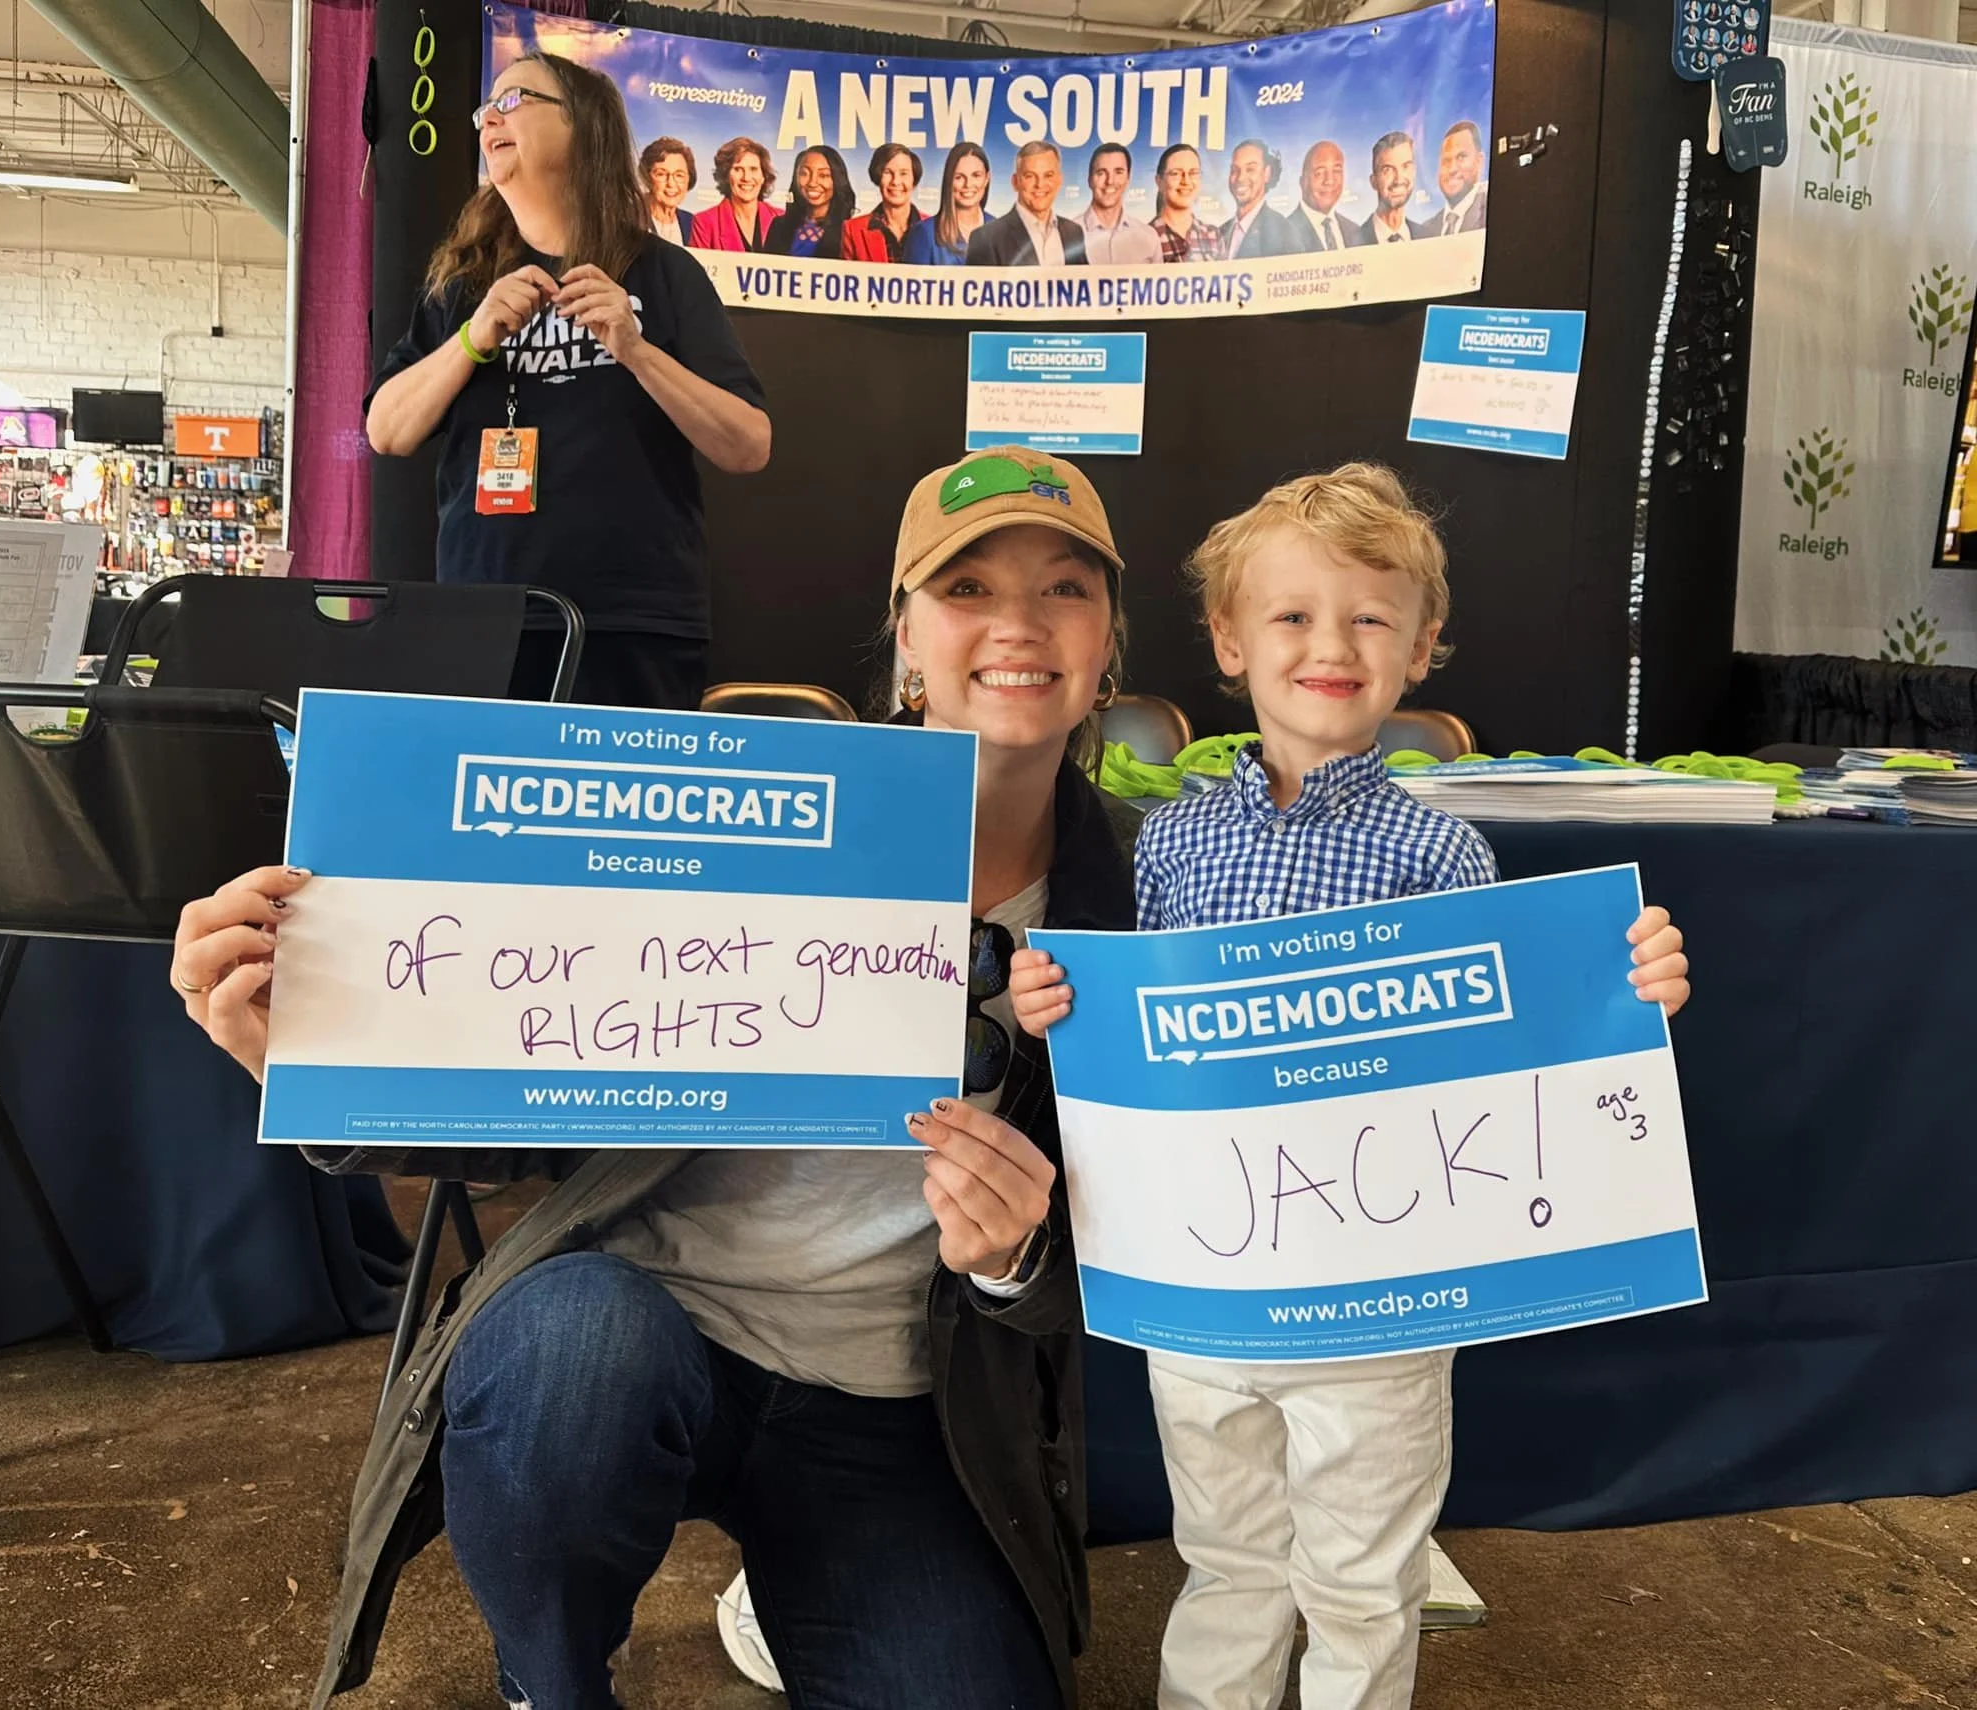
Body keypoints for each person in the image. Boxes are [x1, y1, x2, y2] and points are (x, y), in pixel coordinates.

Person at [172, 444, 1146, 1710]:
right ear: (905, 636)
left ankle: (800, 1572)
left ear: (1108, 637)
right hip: (647, 1325)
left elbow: (1167, 1239)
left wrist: (1018, 1258)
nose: (1017, 623)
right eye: (966, 587)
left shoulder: (1145, 892)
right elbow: (527, 1112)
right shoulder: (721, 811)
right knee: (570, 1361)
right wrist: (307, 1057)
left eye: (1065, 588)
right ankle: (553, 1678)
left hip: (904, 1405)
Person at [1009, 464, 1692, 1710]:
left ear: (1421, 648)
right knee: (1221, 1559)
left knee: (1362, 1577)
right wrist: (1064, 1010)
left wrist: (1624, 988)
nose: (1330, 645)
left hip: (1381, 1309)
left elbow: (1517, 1051)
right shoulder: (1171, 839)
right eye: (1290, 616)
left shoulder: (1441, 852)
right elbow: (1136, 1046)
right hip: (1204, 1297)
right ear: (1227, 639)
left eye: (1369, 619)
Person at [363, 53, 770, 713]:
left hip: (632, 624)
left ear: (584, 127)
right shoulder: (463, 284)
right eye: (485, 108)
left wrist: (636, 350)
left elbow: (749, 445)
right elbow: (385, 430)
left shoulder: (664, 274)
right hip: (483, 622)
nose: (491, 116)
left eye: (516, 99)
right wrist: (473, 338)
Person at [965, 140, 1088, 267]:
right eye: (1030, 176)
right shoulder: (986, 239)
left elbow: (1089, 283)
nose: (1040, 184)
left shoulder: (1074, 233)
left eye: (1048, 175)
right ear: (1015, 182)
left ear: (1059, 180)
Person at [904, 142, 995, 266]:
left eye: (976, 175)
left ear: (986, 179)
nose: (968, 184)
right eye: (959, 177)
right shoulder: (924, 234)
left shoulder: (1001, 233)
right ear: (949, 180)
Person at [688, 137, 780, 253]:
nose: (746, 178)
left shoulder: (781, 219)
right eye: (738, 169)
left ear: (763, 176)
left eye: (753, 169)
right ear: (726, 175)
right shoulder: (705, 223)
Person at [764, 145, 856, 258]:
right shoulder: (778, 226)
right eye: (804, 173)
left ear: (837, 180)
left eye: (823, 175)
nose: (812, 182)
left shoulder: (850, 232)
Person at [1080, 142, 1163, 265]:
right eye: (1101, 173)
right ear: (1090, 180)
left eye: (1118, 172)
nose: (1110, 181)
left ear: (1128, 178)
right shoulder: (1067, 237)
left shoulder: (1148, 236)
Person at [841, 142, 926, 261]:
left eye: (903, 173)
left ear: (914, 180)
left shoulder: (936, 228)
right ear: (877, 177)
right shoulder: (853, 230)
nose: (895, 181)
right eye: (887, 172)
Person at [1220, 139, 1298, 260]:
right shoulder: (1220, 232)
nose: (1240, 178)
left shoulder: (1283, 232)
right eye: (1234, 170)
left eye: (1250, 169)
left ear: (1266, 174)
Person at [1285, 140, 1368, 254]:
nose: (1329, 180)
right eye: (1319, 173)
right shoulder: (1283, 235)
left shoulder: (1356, 232)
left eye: (1336, 171)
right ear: (1302, 182)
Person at [1151, 143, 1224, 263]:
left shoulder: (1213, 235)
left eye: (1193, 173)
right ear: (1159, 182)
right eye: (1176, 173)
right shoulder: (1145, 237)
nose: (1186, 181)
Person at [1421, 120, 1488, 236]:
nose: (1452, 169)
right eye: (1446, 161)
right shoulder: (1425, 230)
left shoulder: (1491, 211)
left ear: (1479, 161)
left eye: (1461, 157)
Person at [1358, 131, 1420, 245]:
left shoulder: (1428, 236)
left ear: (1414, 172)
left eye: (1405, 166)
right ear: (1373, 181)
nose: (1398, 180)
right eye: (1388, 170)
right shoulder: (1352, 243)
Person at [640, 136, 696, 245]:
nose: (671, 183)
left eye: (679, 175)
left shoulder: (692, 223)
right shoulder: (629, 218)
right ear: (647, 176)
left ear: (689, 179)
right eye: (661, 174)